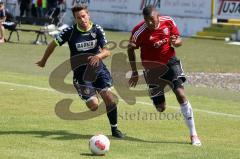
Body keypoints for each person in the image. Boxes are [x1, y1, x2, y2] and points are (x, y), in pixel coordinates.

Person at [36, 4, 124, 138]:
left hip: (98, 71)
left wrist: (98, 56)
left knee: (109, 98)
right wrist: (43, 61)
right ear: (75, 19)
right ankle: (94, 92)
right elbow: (53, 44)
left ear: (88, 15)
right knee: (94, 106)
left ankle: (115, 129)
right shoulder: (70, 32)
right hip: (81, 76)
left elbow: (107, 51)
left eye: (83, 16)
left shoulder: (97, 30)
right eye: (78, 18)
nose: (82, 20)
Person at [127, 5, 201, 146]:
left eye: (152, 19)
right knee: (160, 108)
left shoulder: (168, 21)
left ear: (158, 16)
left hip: (170, 64)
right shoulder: (138, 31)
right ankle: (159, 94)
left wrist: (176, 42)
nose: (149, 23)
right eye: (146, 20)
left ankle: (194, 135)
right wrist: (135, 72)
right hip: (151, 70)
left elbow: (179, 41)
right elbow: (130, 49)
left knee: (181, 94)